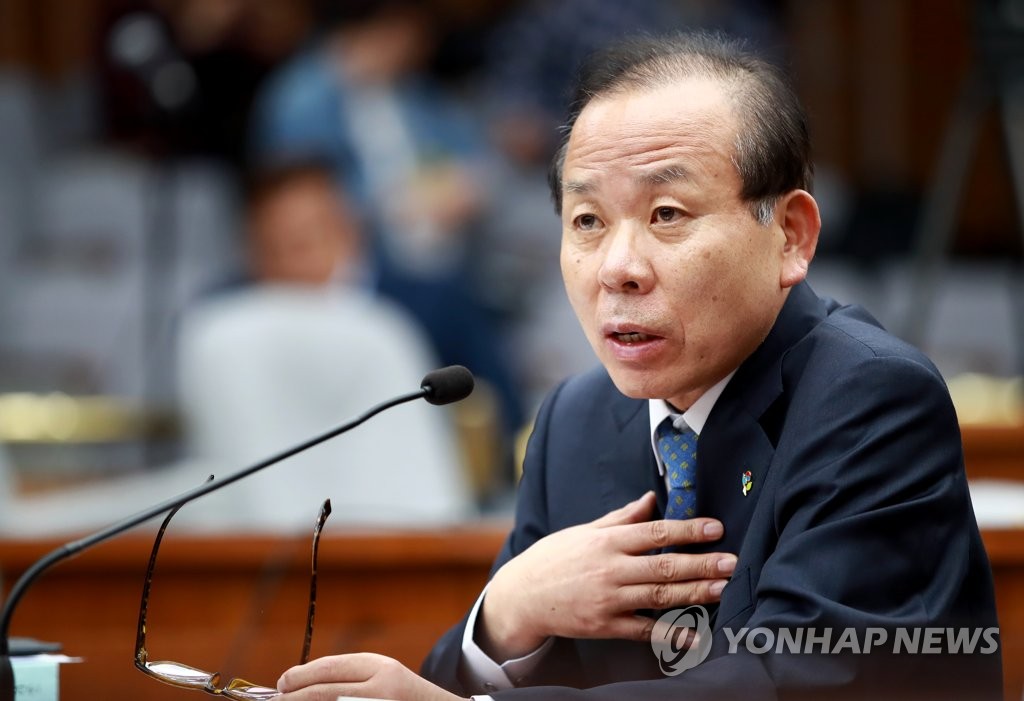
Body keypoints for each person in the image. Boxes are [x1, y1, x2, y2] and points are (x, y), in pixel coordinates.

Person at [271, 32, 1002, 700]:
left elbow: (793, 682)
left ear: (790, 236)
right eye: (587, 221)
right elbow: (453, 685)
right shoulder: (576, 420)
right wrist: (506, 613)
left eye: (667, 215)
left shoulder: (871, 398)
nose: (617, 267)